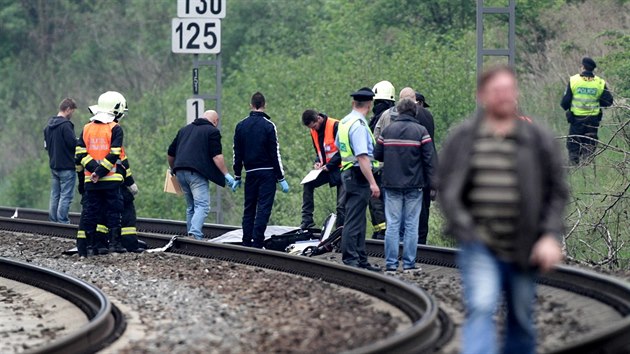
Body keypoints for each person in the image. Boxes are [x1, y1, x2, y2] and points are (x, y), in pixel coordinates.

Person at [438, 66, 568, 354]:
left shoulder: (537, 139)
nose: (505, 97)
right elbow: (446, 187)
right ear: (482, 95)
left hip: (525, 244)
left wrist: (549, 235)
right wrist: (463, 226)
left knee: (521, 319)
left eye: (510, 90)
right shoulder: (464, 137)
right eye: (498, 91)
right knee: (482, 307)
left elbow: (556, 191)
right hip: (479, 242)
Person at [374, 98, 434, 274]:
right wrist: (434, 184)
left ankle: (391, 265)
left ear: (398, 112)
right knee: (411, 225)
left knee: (392, 224)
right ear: (414, 112)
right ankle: (409, 264)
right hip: (415, 185)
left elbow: (377, 155)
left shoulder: (387, 131)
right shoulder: (421, 131)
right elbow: (430, 159)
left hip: (391, 184)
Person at [232, 92, 289, 248]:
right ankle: (257, 242)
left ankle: (246, 240)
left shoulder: (240, 126)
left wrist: (237, 175)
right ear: (265, 104)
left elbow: (237, 153)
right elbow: (274, 153)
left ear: (251, 105)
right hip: (267, 173)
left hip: (250, 173)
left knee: (249, 207)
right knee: (263, 208)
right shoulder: (269, 126)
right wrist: (281, 177)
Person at [168, 110, 235, 240]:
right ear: (215, 121)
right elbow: (216, 156)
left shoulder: (184, 130)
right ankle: (195, 234)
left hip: (180, 172)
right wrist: (226, 174)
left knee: (191, 206)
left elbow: (170, 153)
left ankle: (191, 235)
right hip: (196, 174)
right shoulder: (212, 131)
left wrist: (173, 169)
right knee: (202, 205)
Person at [75, 91, 128, 257]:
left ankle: (90, 247)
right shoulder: (115, 128)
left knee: (91, 212)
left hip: (91, 181)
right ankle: (114, 245)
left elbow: (80, 154)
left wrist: (93, 171)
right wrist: (100, 172)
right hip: (111, 180)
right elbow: (114, 154)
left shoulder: (86, 128)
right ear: (116, 110)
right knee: (114, 212)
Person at [335, 87, 381, 272]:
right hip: (358, 175)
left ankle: (361, 260)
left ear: (354, 103)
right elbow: (362, 157)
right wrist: (372, 182)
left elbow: (339, 146)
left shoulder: (345, 122)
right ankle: (351, 260)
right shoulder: (359, 126)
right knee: (354, 220)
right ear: (369, 105)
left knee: (359, 219)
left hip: (348, 174)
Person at [560, 57, 614, 165]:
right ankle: (588, 168)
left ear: (583, 67)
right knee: (589, 146)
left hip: (576, 121)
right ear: (592, 69)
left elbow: (564, 102)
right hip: (592, 121)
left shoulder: (574, 80)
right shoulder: (599, 82)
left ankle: (574, 168)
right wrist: (596, 101)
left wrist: (569, 108)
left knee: (574, 145)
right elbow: (608, 101)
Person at [300, 110, 344, 229]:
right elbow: (320, 151)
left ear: (318, 119)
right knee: (308, 183)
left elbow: (344, 151)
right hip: (326, 169)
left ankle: (340, 230)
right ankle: (307, 221)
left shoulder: (335, 125)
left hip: (342, 168)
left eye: (314, 126)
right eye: (311, 128)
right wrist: (317, 162)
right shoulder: (313, 131)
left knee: (341, 205)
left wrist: (329, 165)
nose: (313, 129)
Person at [367, 80, 395, 239]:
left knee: (377, 201)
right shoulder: (394, 114)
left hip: (378, 167)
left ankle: (381, 232)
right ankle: (381, 231)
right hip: (391, 166)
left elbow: (375, 140)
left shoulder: (381, 117)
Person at [44, 98, 78, 224]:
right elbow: (72, 144)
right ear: (68, 109)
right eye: (72, 111)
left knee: (55, 195)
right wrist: (79, 141)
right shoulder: (66, 126)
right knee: (66, 196)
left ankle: (54, 221)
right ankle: (63, 222)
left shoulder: (48, 127)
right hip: (67, 166)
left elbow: (46, 146)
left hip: (54, 166)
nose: (72, 114)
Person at [415, 91, 437, 245]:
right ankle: (421, 243)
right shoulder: (428, 117)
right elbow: (431, 149)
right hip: (427, 170)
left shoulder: (409, 116)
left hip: (412, 171)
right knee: (424, 209)